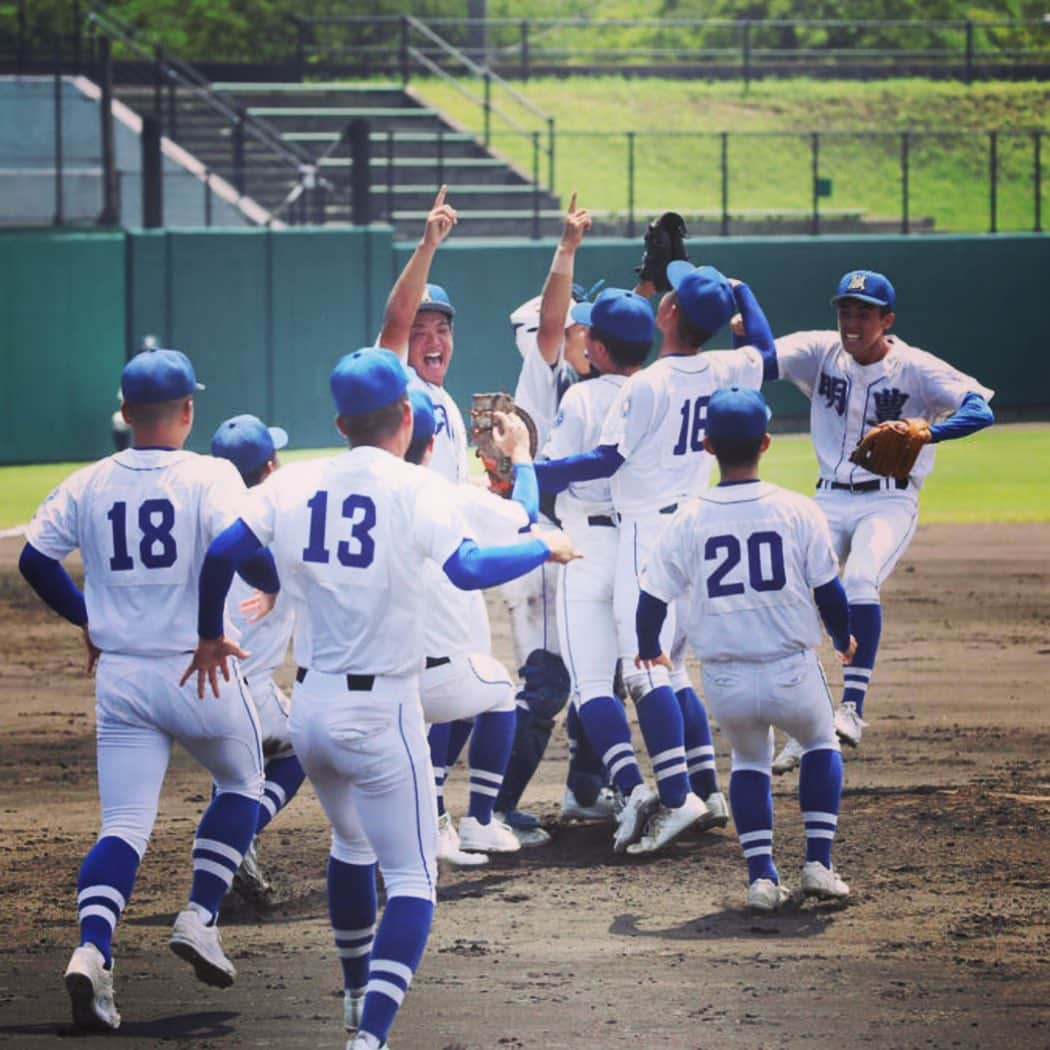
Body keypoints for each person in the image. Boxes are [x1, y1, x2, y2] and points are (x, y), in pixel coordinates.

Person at [181, 347, 580, 1050]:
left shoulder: (294, 481)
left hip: (310, 712)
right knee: (413, 881)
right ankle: (370, 1040)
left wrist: (214, 630)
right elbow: (470, 568)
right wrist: (542, 546)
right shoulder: (418, 487)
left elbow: (222, 553)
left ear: (339, 420)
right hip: (383, 711)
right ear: (406, 414)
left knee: (350, 844)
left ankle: (357, 995)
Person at [19, 347, 273, 1031]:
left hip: (123, 677)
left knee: (124, 824)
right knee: (244, 781)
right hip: (201, 670)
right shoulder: (212, 472)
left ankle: (93, 950)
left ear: (126, 414)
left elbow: (33, 559)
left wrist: (87, 618)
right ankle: (198, 914)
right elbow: (238, 549)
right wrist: (263, 588)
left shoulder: (89, 482)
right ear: (189, 411)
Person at [534, 258, 779, 854]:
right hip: (690, 524)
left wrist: (526, 472)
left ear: (668, 314)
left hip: (637, 532)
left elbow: (604, 462)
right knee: (668, 669)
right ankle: (701, 788)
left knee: (639, 670)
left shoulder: (644, 386)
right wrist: (740, 290)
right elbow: (767, 354)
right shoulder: (724, 366)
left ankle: (674, 797)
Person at [637, 385, 858, 912]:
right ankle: (818, 866)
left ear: (707, 445)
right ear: (765, 442)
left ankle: (761, 877)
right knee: (821, 742)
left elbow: (651, 598)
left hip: (725, 679)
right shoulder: (798, 510)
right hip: (791, 672)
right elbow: (830, 590)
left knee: (749, 760)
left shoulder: (688, 517)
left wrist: (650, 647)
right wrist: (843, 635)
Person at [768, 270, 994, 773]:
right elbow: (760, 360)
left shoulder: (915, 366)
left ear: (886, 320)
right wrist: (743, 319)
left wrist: (930, 434)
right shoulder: (819, 350)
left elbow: (980, 409)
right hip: (827, 497)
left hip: (887, 502)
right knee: (790, 593)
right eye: (845, 310)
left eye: (863, 312)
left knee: (859, 581)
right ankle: (808, 722)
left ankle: (851, 709)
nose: (851, 320)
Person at [406, 387, 541, 865]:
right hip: (428, 676)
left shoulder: (333, 490)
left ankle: (434, 818)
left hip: (349, 681)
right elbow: (523, 517)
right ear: (429, 444)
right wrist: (519, 457)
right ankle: (479, 819)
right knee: (494, 686)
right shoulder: (445, 494)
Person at [209, 414, 304, 906]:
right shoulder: (280, 520)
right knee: (301, 747)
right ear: (271, 466)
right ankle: (239, 839)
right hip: (248, 688)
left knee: (231, 772)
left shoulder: (204, 516)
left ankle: (230, 843)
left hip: (190, 680)